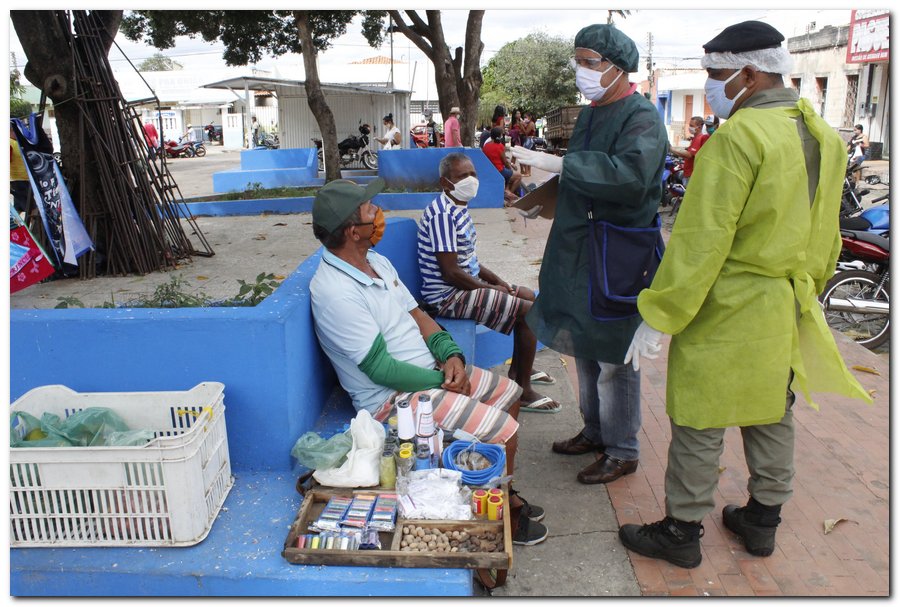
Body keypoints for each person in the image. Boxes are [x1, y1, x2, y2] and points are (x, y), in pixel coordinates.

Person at [617, 20, 872, 569]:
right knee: (771, 412)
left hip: (727, 302)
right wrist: (808, 292)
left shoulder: (739, 138)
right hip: (785, 301)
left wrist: (661, 314)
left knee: (700, 417)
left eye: (715, 75)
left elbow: (702, 240)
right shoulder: (823, 135)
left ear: (750, 74)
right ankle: (762, 520)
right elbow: (828, 233)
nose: (711, 86)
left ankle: (682, 532)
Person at [309, 178, 549, 545]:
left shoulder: (374, 261)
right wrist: (442, 381)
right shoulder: (334, 292)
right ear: (351, 231)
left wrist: (449, 354)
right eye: (369, 209)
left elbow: (418, 314)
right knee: (507, 430)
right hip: (391, 400)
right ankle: (504, 516)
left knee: (511, 392)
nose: (378, 214)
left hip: (429, 371)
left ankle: (490, 486)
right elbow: (380, 369)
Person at [513, 24, 668, 486]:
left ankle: (623, 449)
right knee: (582, 343)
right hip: (578, 246)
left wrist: (561, 164)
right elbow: (579, 181)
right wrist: (539, 193)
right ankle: (595, 430)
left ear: (619, 68)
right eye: (577, 61)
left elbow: (631, 176)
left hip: (617, 252)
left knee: (614, 356)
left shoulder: (641, 117)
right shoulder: (591, 114)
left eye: (590, 62)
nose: (582, 71)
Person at [416, 152, 561, 413]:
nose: (471, 180)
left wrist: (499, 282)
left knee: (528, 295)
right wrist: (490, 289)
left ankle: (520, 370)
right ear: (445, 183)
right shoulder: (442, 215)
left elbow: (469, 261)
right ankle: (524, 391)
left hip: (460, 287)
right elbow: (450, 272)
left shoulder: (457, 207)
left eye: (473, 174)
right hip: (447, 297)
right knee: (527, 311)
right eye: (462, 176)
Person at [482, 126, 523, 204]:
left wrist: (510, 165)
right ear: (500, 136)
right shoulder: (500, 146)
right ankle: (509, 195)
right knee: (518, 176)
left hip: (490, 170)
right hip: (499, 170)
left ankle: (507, 190)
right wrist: (511, 168)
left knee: (510, 175)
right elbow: (505, 162)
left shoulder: (486, 146)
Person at [669, 116, 709, 188]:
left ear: (699, 127)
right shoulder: (695, 138)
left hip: (691, 174)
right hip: (689, 173)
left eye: (692, 126)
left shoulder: (699, 138)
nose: (689, 128)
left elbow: (689, 155)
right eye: (689, 125)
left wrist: (672, 149)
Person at [519, 112, 537, 177]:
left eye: (526, 117)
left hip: (529, 141)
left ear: (530, 117)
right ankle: (528, 172)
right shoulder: (530, 123)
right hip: (529, 140)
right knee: (528, 157)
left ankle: (527, 172)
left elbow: (526, 132)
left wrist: (522, 126)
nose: (525, 118)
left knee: (526, 156)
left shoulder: (531, 123)